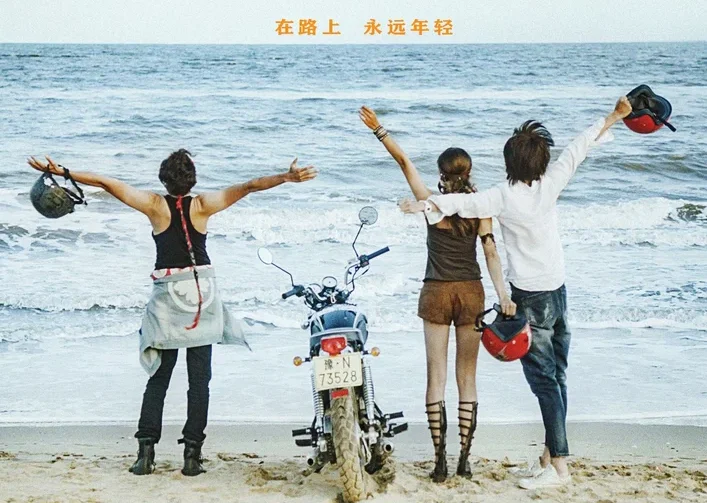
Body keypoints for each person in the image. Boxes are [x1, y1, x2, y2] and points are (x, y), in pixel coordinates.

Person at [27, 152, 317, 476]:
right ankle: (192, 457)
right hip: (201, 299)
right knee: (199, 383)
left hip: (168, 300)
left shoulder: (154, 205)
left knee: (158, 380)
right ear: (193, 179)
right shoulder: (203, 205)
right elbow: (249, 186)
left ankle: (145, 455)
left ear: (163, 179)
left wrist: (61, 171)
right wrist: (286, 177)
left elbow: (106, 182)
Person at [399, 97, 633, 489]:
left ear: (509, 163)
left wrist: (423, 206)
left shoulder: (502, 196)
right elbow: (579, 147)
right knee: (557, 377)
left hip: (530, 299)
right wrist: (613, 117)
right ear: (542, 161)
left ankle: (559, 467)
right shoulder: (552, 182)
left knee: (544, 383)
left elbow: (460, 203)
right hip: (558, 293)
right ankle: (548, 457)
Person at [359, 106, 516, 482]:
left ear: (443, 176)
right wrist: (503, 294)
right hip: (471, 293)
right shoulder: (480, 210)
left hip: (436, 293)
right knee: (467, 378)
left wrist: (379, 130)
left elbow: (403, 161)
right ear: (469, 173)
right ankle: (464, 459)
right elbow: (491, 253)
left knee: (436, 378)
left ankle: (440, 462)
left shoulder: (431, 204)